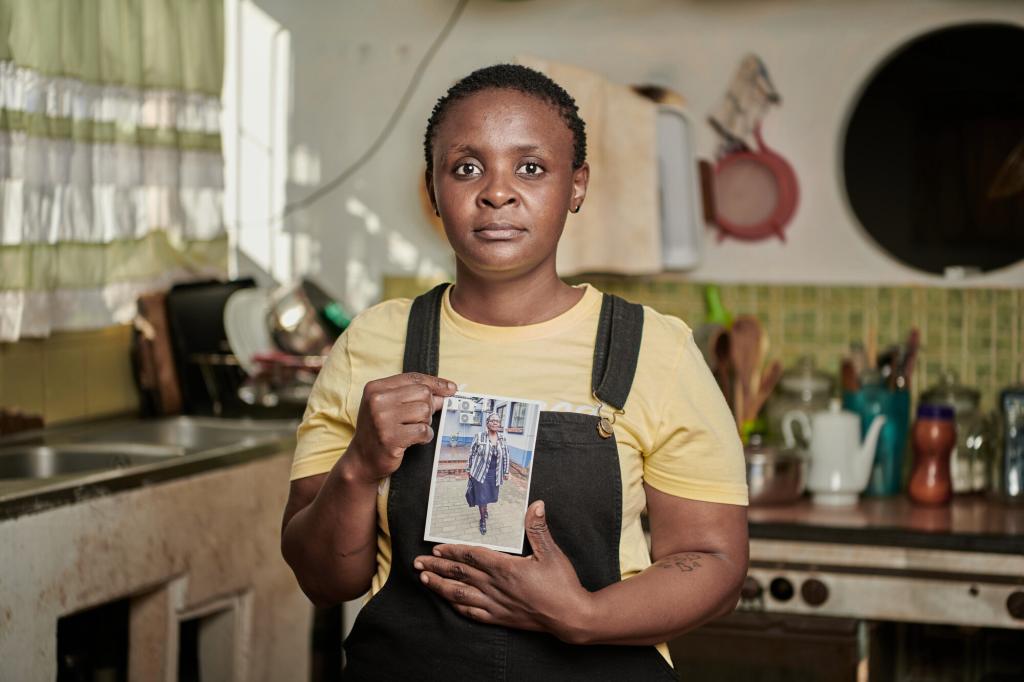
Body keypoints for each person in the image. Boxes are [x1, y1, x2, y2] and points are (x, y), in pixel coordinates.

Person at [281, 63, 749, 680]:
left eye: (530, 167)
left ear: (576, 186)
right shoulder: (373, 344)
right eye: (467, 167)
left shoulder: (654, 351)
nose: (496, 192)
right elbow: (323, 580)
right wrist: (361, 466)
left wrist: (582, 615)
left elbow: (714, 562)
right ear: (433, 190)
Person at [465, 412, 511, 534]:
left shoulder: (502, 438)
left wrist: (506, 471)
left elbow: (506, 455)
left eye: (497, 421)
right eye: (492, 420)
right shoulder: (479, 436)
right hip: (480, 473)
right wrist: (469, 469)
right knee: (481, 497)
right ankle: (482, 520)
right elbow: (472, 453)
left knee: (489, 495)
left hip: (494, 474)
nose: (495, 422)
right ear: (487, 423)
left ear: (499, 424)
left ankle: (485, 510)